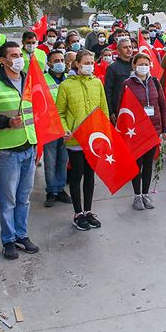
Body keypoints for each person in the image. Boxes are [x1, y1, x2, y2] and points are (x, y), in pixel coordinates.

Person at [0, 41, 40, 260]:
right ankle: (8, 240)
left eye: (19, 54)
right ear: (3, 61)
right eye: (13, 55)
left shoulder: (28, 81)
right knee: (8, 199)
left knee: (24, 197)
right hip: (6, 151)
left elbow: (35, 112)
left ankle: (22, 235)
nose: (18, 58)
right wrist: (6, 122)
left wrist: (36, 141)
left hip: (28, 146)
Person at [55, 50, 109, 231]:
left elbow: (104, 110)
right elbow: (59, 113)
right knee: (77, 175)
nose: (90, 66)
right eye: (86, 62)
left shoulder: (97, 83)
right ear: (77, 64)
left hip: (94, 139)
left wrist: (105, 133)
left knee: (90, 175)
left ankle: (88, 211)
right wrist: (65, 129)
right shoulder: (66, 85)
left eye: (92, 62)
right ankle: (78, 213)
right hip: (76, 140)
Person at [123, 53, 166, 210]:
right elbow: (121, 108)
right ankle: (137, 195)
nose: (143, 66)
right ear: (134, 66)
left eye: (146, 63)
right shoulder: (128, 84)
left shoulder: (155, 82)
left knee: (149, 163)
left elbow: (163, 106)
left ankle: (145, 194)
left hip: (153, 130)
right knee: (137, 164)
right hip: (136, 131)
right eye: (140, 64)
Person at [42, 50, 71, 207]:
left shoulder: (69, 80)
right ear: (49, 63)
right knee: (50, 161)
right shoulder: (43, 80)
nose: (60, 63)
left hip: (66, 128)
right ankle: (51, 191)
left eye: (62, 60)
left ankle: (60, 189)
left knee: (62, 160)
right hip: (50, 127)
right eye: (56, 60)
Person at [105, 38, 133, 123]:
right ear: (118, 51)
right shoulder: (112, 68)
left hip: (136, 106)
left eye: (130, 47)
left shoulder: (137, 64)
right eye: (125, 47)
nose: (128, 49)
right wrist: (111, 112)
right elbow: (108, 91)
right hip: (120, 108)